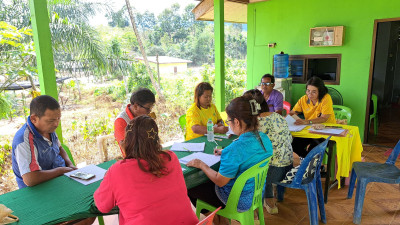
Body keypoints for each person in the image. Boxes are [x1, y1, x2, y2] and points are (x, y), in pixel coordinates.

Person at [94, 115, 198, 225]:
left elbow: (102, 206)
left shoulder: (117, 170)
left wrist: (109, 177)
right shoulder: (170, 157)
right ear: (156, 140)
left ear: (127, 141)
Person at [187, 95, 273, 223]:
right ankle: (221, 217)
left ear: (237, 122)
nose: (229, 125)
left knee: (192, 188)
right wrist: (225, 151)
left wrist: (201, 165)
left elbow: (220, 181)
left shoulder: (235, 149)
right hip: (255, 194)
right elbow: (247, 153)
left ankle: (219, 220)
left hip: (237, 200)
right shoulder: (264, 138)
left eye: (228, 121)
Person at [244, 89, 293, 214]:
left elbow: (247, 149)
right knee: (266, 158)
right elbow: (289, 139)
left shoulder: (256, 124)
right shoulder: (278, 116)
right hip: (288, 167)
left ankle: (253, 210)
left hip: (273, 173)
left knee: (247, 166)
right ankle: (269, 199)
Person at [12, 95, 77, 189]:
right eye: (51, 121)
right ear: (34, 119)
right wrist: (60, 171)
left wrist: (70, 164)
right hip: (38, 189)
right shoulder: (23, 140)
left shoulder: (48, 129)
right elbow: (30, 179)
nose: (56, 124)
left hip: (58, 179)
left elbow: (59, 148)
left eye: (58, 118)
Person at [289, 76, 336, 158]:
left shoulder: (326, 98)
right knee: (294, 146)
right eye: (308, 91)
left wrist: (307, 122)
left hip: (326, 131)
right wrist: (287, 119)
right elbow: (292, 113)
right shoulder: (303, 99)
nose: (310, 94)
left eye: (314, 92)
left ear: (320, 91)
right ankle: (307, 164)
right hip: (310, 131)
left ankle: (313, 166)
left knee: (313, 149)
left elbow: (324, 118)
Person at [114, 88, 155, 157]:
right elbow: (125, 148)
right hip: (134, 159)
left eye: (151, 108)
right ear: (136, 106)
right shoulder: (121, 121)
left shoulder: (143, 117)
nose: (149, 112)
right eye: (148, 108)